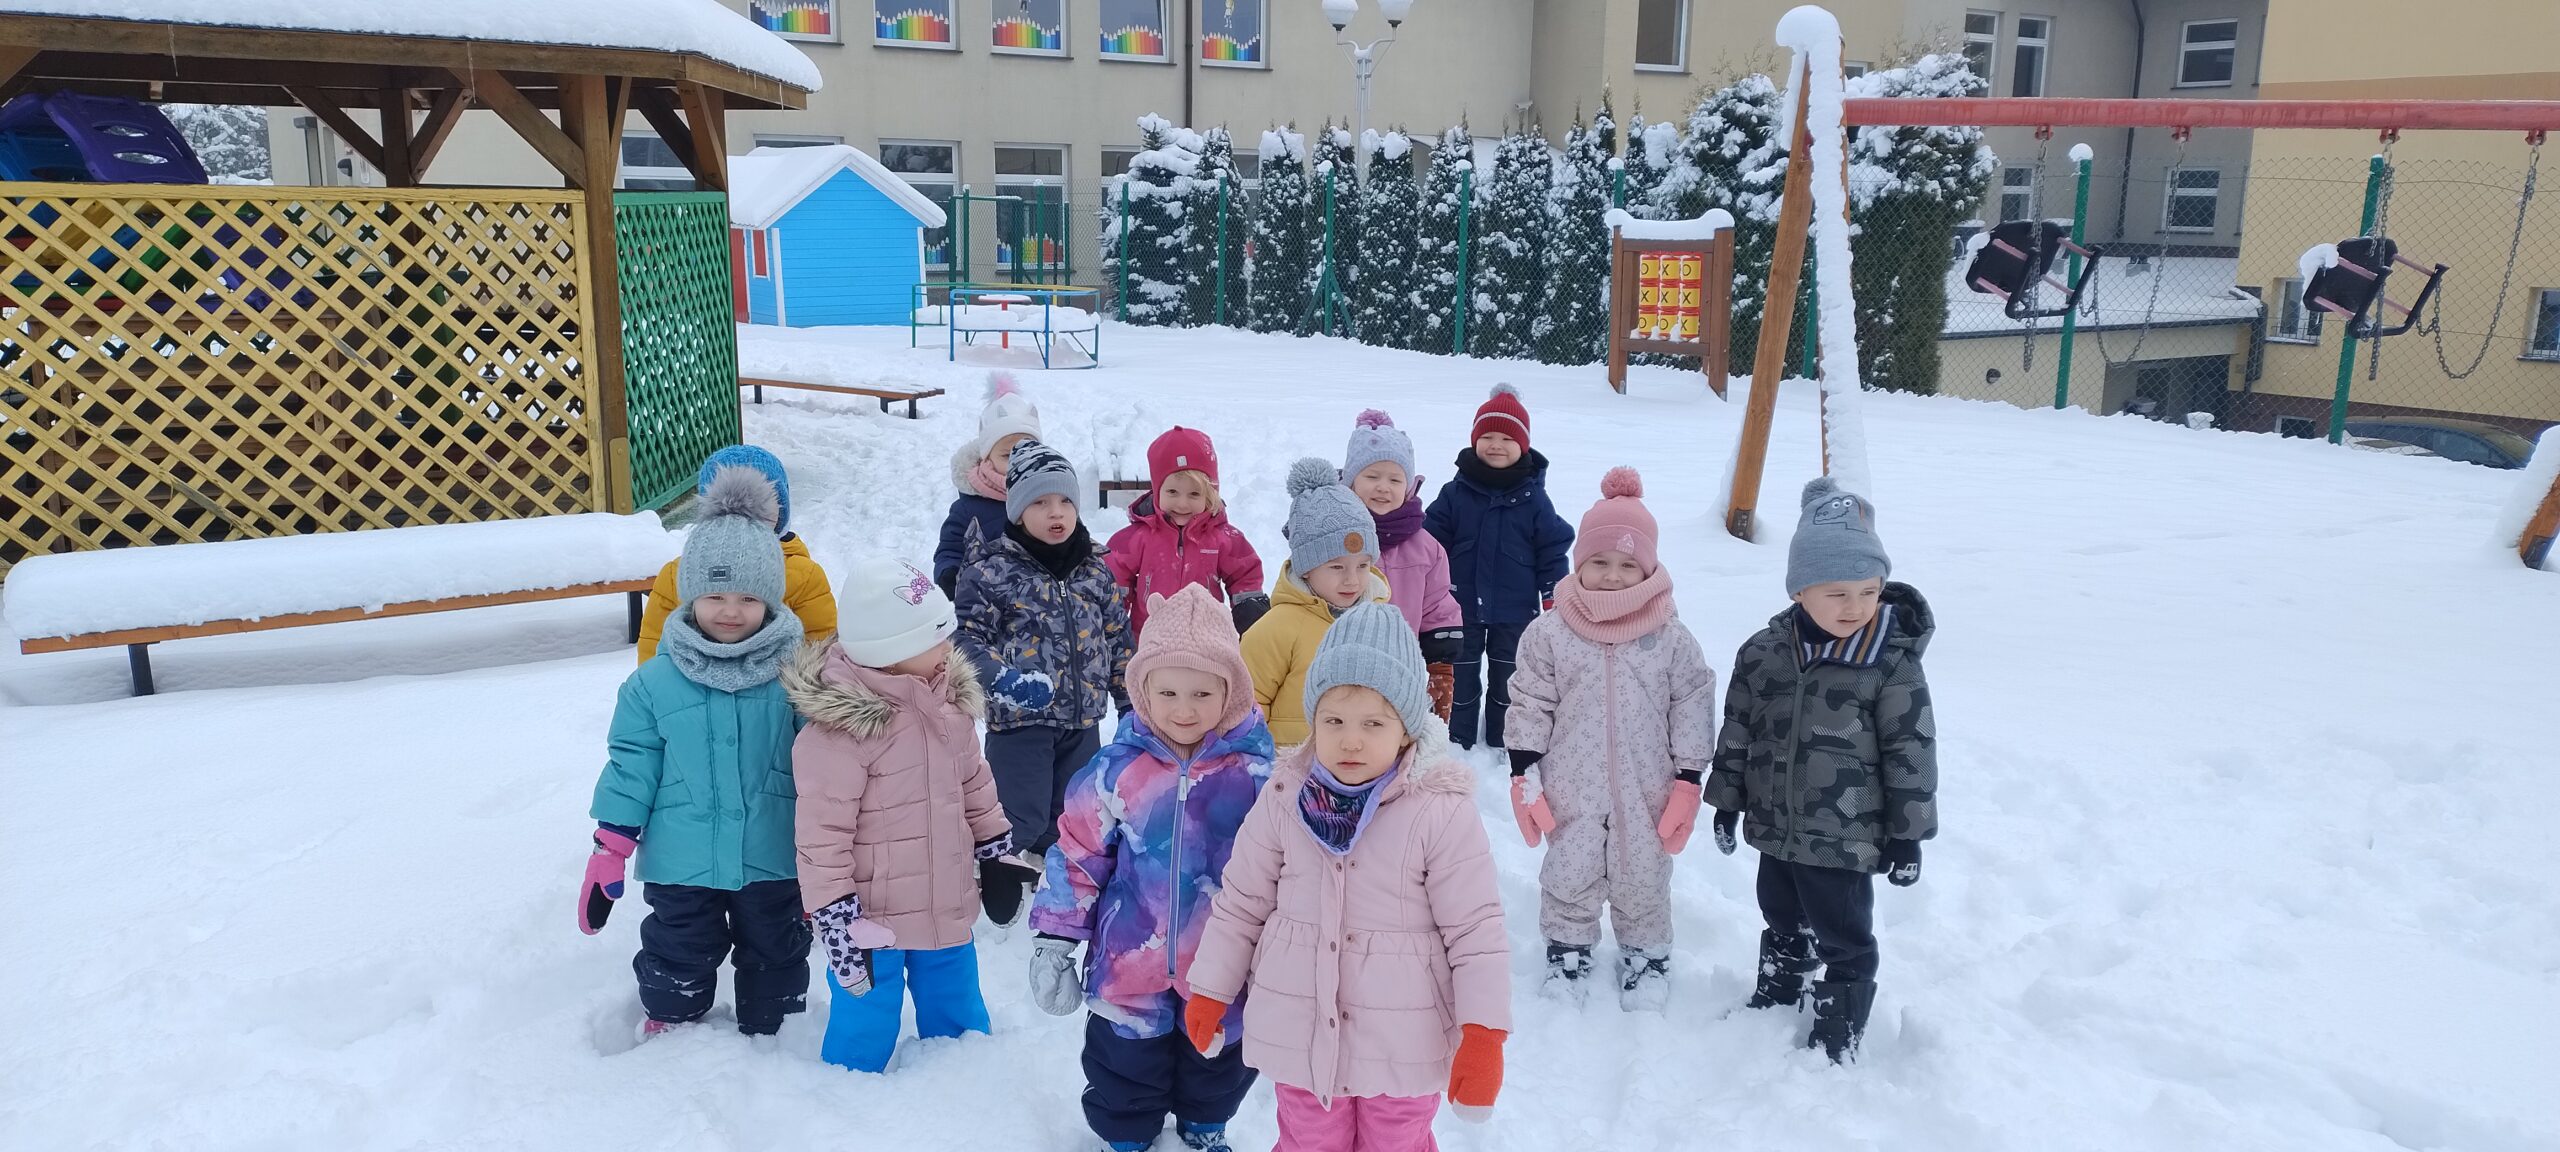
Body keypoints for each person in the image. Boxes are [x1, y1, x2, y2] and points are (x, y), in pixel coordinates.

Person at [1183, 603, 1511, 1150]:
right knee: (1307, 1141)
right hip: (1302, 1031)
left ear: (1406, 730)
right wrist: (1211, 989)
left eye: (1373, 724)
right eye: (1333, 721)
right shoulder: (1284, 798)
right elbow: (1241, 905)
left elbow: (1476, 932)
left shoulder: (1439, 811)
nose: (1350, 740)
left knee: (1396, 1144)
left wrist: (1484, 1032)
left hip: (1404, 1040)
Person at [1027, 584, 1276, 1152]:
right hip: (1128, 961)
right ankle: (1127, 1136)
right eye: (1167, 692)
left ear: (1231, 692)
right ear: (1142, 690)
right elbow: (1078, 854)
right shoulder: (1116, 771)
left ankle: (1204, 1125)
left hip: (1222, 963)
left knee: (1218, 1059)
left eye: (1201, 693)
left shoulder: (1257, 777)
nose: (1183, 709)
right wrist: (1055, 940)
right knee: (1123, 1062)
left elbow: (1282, 870)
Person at [1706, 477, 1938, 1062]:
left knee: (1843, 931)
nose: (1855, 607)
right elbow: (1738, 729)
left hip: (1845, 835)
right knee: (1780, 909)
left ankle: (1839, 1026)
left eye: (1869, 591)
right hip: (1775, 824)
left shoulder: (1890, 664)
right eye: (1837, 593)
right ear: (1800, 590)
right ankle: (1782, 986)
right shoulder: (1763, 653)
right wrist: (1727, 800)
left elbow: (1911, 750)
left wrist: (1908, 836)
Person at [580, 467, 809, 1039]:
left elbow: (827, 769)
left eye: (748, 597)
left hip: (773, 853)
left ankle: (774, 1029)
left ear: (771, 599)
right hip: (681, 860)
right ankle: (673, 1021)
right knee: (678, 947)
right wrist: (610, 848)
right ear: (689, 595)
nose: (730, 611)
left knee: (776, 948)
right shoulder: (653, 684)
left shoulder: (800, 677)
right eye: (714, 595)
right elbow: (632, 765)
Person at [785, 556, 1014, 1073]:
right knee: (864, 1018)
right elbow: (821, 836)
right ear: (891, 654)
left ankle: (963, 1078)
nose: (948, 648)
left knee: (958, 1010)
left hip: (945, 902)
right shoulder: (840, 732)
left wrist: (995, 851)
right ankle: (849, 1090)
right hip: (872, 919)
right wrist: (835, 914)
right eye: (935, 638)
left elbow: (976, 786)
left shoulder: (949, 709)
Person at [1503, 468, 1717, 1010]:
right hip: (1569, 782)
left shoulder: (1669, 636)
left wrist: (1689, 778)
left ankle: (1646, 954)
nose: (1613, 577)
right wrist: (1524, 770)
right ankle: (1567, 950)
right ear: (1579, 563)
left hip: (1648, 786)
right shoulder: (1551, 632)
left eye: (1627, 565)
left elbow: (1692, 701)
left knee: (1642, 872)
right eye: (1599, 562)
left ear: (1648, 569)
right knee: (1568, 869)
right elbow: (1530, 698)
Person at [956, 438, 1134, 926]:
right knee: (1019, 812)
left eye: (1064, 501)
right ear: (1017, 511)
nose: (1056, 512)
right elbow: (966, 640)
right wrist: (1005, 680)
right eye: (1039, 502)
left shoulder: (1095, 568)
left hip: (1083, 718)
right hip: (1022, 722)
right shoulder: (992, 571)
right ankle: (997, 873)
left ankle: (1057, 880)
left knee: (1072, 809)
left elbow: (1117, 637)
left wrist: (1129, 702)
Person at [1425, 384, 1573, 749]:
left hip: (1516, 607)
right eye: (1487, 436)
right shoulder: (1455, 493)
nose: (1496, 445)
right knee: (1460, 672)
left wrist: (1553, 594)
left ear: (1523, 445)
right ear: (1474, 440)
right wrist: (1427, 587)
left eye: (1507, 438)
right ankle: (1456, 735)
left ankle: (1502, 736)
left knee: (1510, 674)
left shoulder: (1534, 498)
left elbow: (1552, 549)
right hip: (1459, 604)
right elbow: (1430, 544)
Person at [634, 444, 837, 662]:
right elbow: (654, 656)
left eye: (760, 505)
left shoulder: (803, 577)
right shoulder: (677, 575)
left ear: (780, 513)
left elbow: (820, 656)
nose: (743, 517)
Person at [1241, 458, 1392, 748]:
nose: (1352, 580)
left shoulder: (1379, 621)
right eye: (1336, 567)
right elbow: (1248, 702)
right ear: (1306, 568)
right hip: (1290, 763)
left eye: (1362, 566)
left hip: (1358, 759)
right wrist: (1256, 761)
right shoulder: (1277, 628)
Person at [1340, 410, 1465, 719]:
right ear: (1350, 482)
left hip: (1402, 670)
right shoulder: (1334, 538)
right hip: (1340, 666)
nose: (1383, 487)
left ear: (1409, 487)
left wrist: (1440, 665)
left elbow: (1437, 604)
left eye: (1395, 479)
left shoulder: (1426, 548)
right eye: (1372, 476)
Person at [1106, 426, 1267, 637]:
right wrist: (1113, 628)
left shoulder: (1223, 538)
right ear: (1157, 491)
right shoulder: (1136, 538)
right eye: (1172, 492)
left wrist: (1248, 609)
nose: (1182, 504)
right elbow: (1113, 579)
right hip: (1150, 640)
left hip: (1205, 640)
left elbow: (1245, 574)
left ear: (1209, 495)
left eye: (1194, 494)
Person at [935, 372, 1043, 600]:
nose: (1018, 461)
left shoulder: (1049, 497)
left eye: (1027, 451)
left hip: (1042, 604)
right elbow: (951, 549)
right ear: (987, 458)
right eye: (1006, 455)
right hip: (988, 604)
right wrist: (950, 574)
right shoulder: (969, 508)